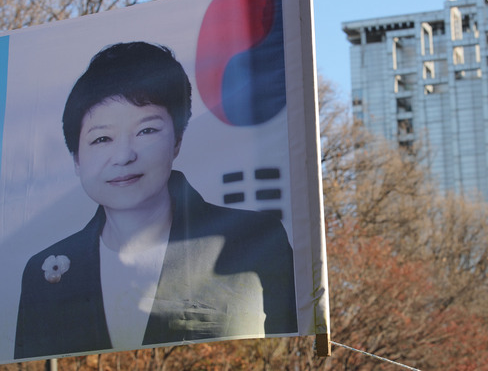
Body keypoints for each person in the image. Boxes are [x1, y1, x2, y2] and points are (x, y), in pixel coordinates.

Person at [14, 42, 297, 359]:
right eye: (102, 138)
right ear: (76, 158)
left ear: (177, 139)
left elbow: (289, 354)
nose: (123, 156)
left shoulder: (253, 240)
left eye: (146, 130)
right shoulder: (45, 272)